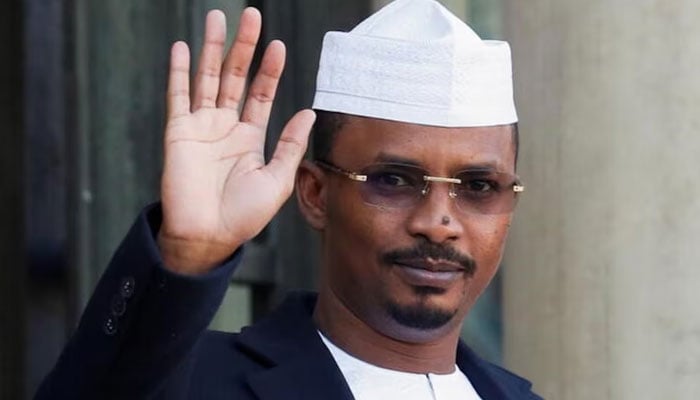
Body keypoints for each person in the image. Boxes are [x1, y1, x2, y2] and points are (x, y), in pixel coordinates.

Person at [36, 0, 541, 398]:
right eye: (393, 180)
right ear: (316, 193)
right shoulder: (201, 383)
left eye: (477, 187)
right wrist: (189, 255)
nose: (438, 222)